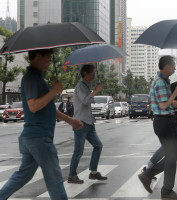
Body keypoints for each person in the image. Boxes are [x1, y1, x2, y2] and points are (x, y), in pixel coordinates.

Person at [0, 49, 83, 200]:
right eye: (48, 57)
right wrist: (53, 92)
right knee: (55, 179)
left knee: (23, 175)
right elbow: (33, 106)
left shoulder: (38, 79)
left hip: (32, 138)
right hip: (39, 138)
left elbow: (49, 109)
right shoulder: (32, 78)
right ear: (38, 57)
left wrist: (70, 120)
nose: (50, 61)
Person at [138, 55, 177, 199]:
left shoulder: (163, 82)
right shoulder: (160, 83)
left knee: (173, 155)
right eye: (173, 66)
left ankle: (163, 187)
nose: (175, 68)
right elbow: (164, 105)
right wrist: (175, 93)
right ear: (167, 66)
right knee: (173, 155)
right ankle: (151, 177)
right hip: (164, 122)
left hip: (164, 122)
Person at [68, 64, 107, 184]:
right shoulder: (80, 86)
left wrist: (93, 91)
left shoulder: (86, 86)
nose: (94, 75)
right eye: (92, 73)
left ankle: (93, 172)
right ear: (85, 73)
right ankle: (72, 175)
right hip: (80, 123)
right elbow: (85, 101)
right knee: (78, 151)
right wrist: (96, 91)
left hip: (89, 123)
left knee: (98, 145)